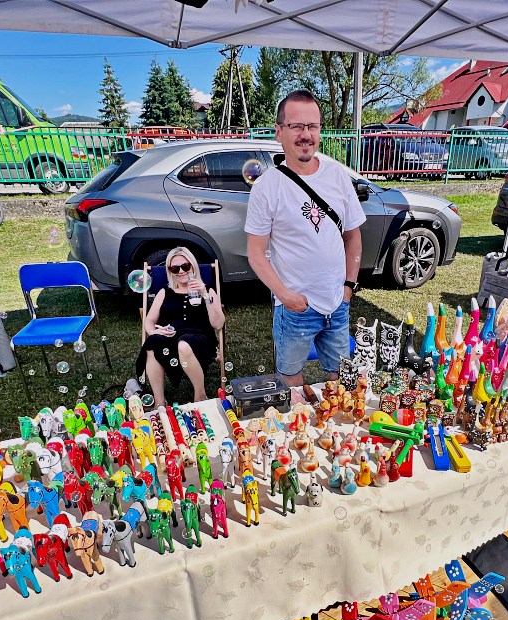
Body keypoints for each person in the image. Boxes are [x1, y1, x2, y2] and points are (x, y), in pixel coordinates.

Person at [245, 89, 365, 386]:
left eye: (312, 126)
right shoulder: (266, 187)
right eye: (296, 126)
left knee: (341, 379)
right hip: (295, 308)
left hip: (337, 303)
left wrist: (348, 287)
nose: (305, 135)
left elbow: (353, 236)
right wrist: (286, 296)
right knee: (290, 379)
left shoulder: (338, 176)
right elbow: (256, 253)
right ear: (279, 132)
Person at [137, 246, 225, 406]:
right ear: (170, 271)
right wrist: (155, 332)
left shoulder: (208, 291)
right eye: (175, 268)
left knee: (184, 344)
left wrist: (205, 295)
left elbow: (218, 324)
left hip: (201, 338)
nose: (181, 271)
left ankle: (200, 396)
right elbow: (149, 321)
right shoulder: (165, 292)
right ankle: (160, 402)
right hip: (172, 337)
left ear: (193, 266)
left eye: (185, 266)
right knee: (151, 342)